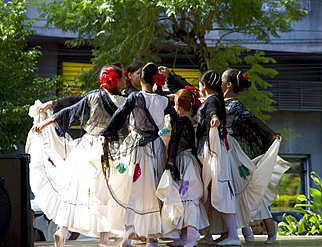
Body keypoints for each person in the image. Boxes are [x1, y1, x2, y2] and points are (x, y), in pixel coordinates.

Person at [31, 64, 126, 247]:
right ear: (117, 80)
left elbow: (68, 111)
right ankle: (104, 237)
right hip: (107, 148)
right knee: (103, 191)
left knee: (76, 190)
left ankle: (64, 229)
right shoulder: (122, 102)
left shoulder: (92, 96)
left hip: (87, 145)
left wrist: (44, 124)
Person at [98, 63, 172, 247]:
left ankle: (129, 227)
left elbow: (119, 115)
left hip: (137, 147)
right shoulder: (163, 101)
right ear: (156, 80)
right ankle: (151, 238)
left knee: (133, 186)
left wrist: (105, 134)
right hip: (157, 147)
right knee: (153, 189)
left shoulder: (135, 97)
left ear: (140, 79)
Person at [221, 69, 288, 244]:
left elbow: (253, 120)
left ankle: (268, 225)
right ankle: (240, 231)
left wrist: (271, 134)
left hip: (230, 151)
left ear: (229, 84)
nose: (218, 82)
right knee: (232, 191)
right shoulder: (216, 101)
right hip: (220, 148)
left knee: (242, 190)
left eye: (221, 79)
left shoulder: (235, 105)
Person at [157, 88, 209, 247]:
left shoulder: (180, 122)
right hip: (191, 163)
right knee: (186, 198)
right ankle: (185, 237)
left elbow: (174, 142)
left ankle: (191, 238)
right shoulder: (194, 121)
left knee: (189, 198)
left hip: (184, 164)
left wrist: (170, 160)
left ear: (178, 105)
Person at [195, 70, 240, 246]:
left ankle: (233, 236)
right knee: (207, 194)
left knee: (219, 192)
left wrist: (214, 118)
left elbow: (213, 111)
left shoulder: (212, 100)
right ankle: (205, 233)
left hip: (214, 151)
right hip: (213, 150)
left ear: (204, 85)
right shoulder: (214, 99)